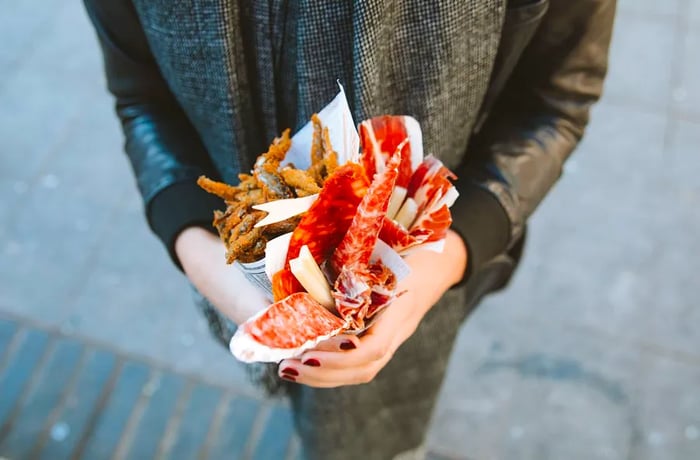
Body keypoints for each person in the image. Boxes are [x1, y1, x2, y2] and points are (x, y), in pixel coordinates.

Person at [83, 0, 615, 458]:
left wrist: (445, 259)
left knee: (366, 436)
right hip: (230, 257)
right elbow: (141, 95)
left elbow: (556, 102)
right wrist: (204, 257)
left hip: (419, 285)